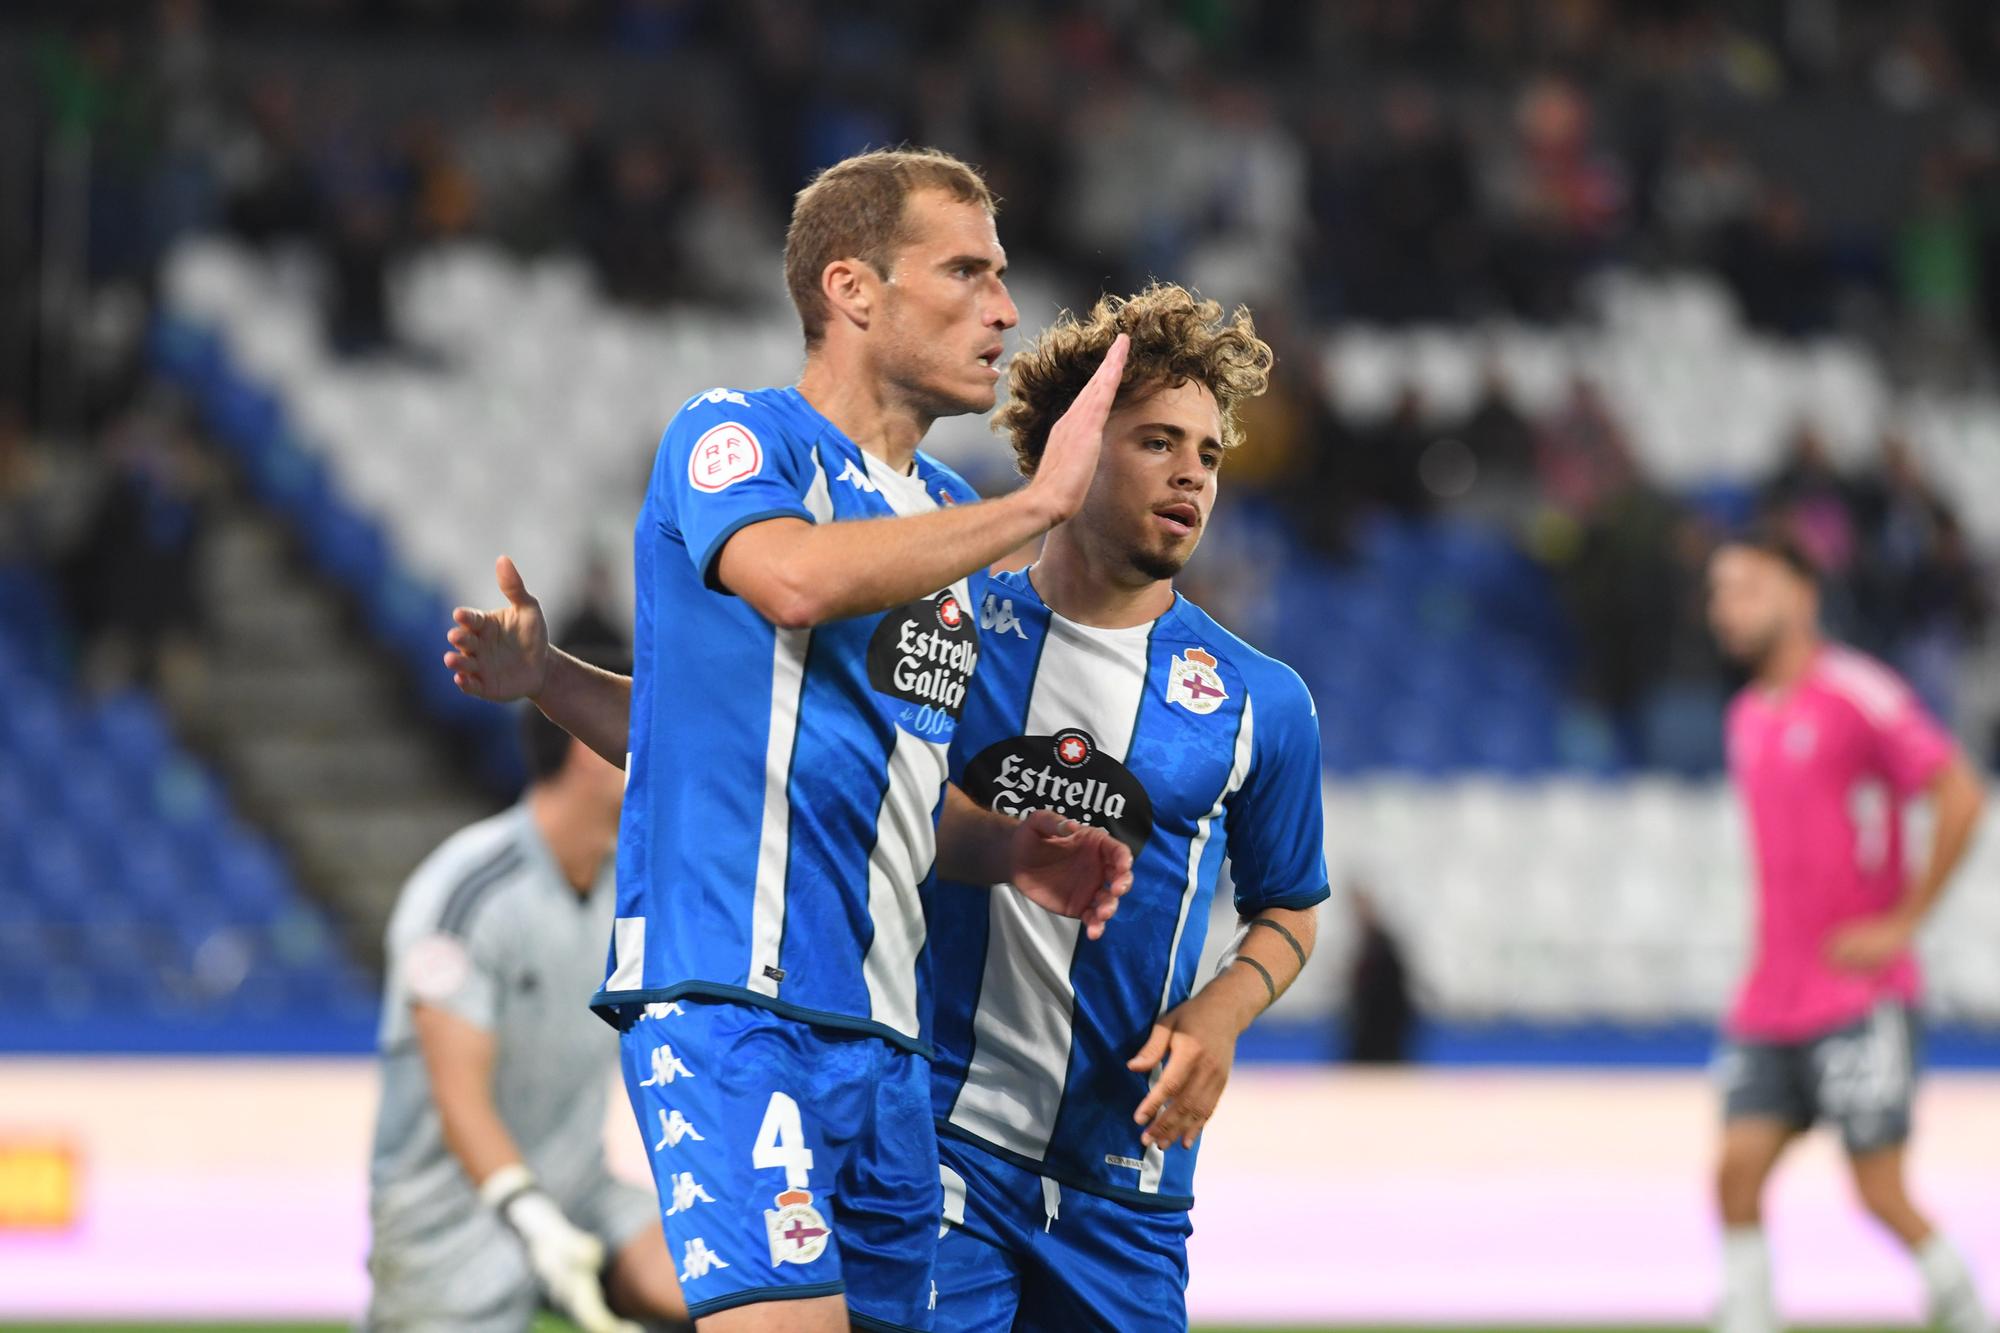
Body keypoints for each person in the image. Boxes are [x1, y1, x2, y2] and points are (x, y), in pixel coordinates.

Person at [442, 147, 1132, 1332]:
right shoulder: (738, 438)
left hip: (886, 1043)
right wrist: (1033, 508)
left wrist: (1010, 851)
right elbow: (793, 581)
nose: (1005, 309)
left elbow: (868, 787)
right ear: (853, 291)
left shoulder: (941, 529)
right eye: (964, 272)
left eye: (1002, 276)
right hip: (733, 1004)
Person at [927, 283, 1327, 1331]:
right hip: (938, 1145)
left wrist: (1220, 1013)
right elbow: (868, 816)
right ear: (1076, 449)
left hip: (1128, 1182)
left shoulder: (1258, 700)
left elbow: (1287, 909)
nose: (1191, 473)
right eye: (1157, 441)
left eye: (1207, 453)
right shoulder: (951, 632)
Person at [1705, 528, 1991, 1333]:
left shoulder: (1859, 693)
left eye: (1745, 588)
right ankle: (1750, 1318)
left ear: (1801, 595)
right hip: (1770, 993)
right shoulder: (1746, 719)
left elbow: (1960, 792)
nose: (1723, 609)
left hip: (1856, 991)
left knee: (1879, 1188)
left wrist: (1903, 921)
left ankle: (1965, 1305)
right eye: (1718, 592)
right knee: (1735, 1173)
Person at [367, 675, 689, 1333]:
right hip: (453, 1219)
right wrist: (535, 1221)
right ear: (587, 748)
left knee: (732, 1290)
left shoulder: (633, 895)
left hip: (582, 1191)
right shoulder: (468, 891)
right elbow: (459, 1098)